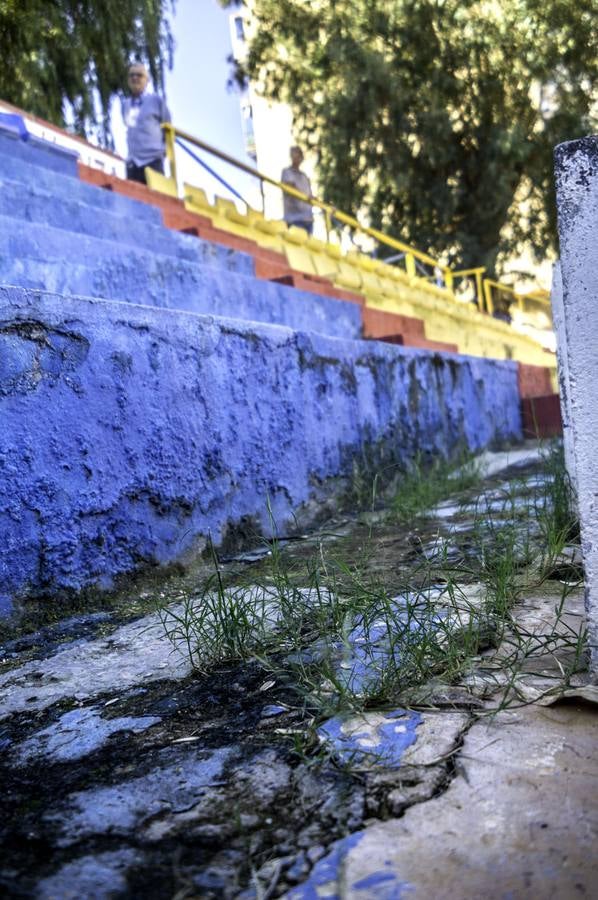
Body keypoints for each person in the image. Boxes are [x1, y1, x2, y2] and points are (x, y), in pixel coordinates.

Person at [121, 62, 171, 184]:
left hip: (153, 161)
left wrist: (163, 152)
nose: (135, 78)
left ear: (147, 80)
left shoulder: (156, 101)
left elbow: (168, 126)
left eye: (139, 75)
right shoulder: (126, 104)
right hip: (133, 163)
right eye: (131, 75)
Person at [281, 146, 314, 234]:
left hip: (308, 219)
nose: (296, 157)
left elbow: (310, 195)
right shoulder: (287, 172)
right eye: (294, 154)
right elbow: (290, 187)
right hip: (294, 219)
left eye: (298, 154)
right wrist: (305, 196)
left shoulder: (304, 176)